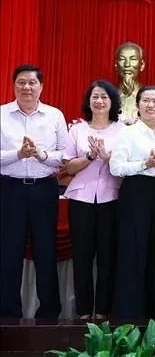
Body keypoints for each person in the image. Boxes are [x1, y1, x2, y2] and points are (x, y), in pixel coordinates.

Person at [0, 64, 68, 318]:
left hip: (44, 190)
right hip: (9, 189)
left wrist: (41, 154)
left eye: (32, 83)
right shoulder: (2, 114)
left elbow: (64, 155)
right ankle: (7, 313)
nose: (27, 87)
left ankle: (49, 313)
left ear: (41, 86)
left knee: (45, 250)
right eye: (21, 82)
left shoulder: (54, 115)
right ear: (14, 85)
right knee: (9, 251)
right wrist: (17, 154)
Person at [62, 80, 125, 319]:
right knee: (82, 256)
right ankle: (84, 312)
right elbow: (68, 166)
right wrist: (90, 156)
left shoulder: (122, 130)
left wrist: (108, 157)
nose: (99, 101)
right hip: (81, 200)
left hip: (112, 199)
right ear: (89, 101)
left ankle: (104, 311)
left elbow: (124, 167)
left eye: (104, 97)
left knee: (108, 257)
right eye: (95, 96)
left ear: (112, 102)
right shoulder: (77, 130)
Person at [110, 85, 155, 319]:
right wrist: (146, 164)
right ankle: (128, 318)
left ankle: (152, 317)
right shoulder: (128, 132)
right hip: (135, 193)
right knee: (133, 254)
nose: (151, 105)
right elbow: (116, 167)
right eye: (146, 101)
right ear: (137, 105)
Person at [114, 42, 155, 123]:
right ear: (116, 65)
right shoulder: (106, 99)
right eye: (122, 59)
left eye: (133, 59)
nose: (127, 64)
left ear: (142, 65)